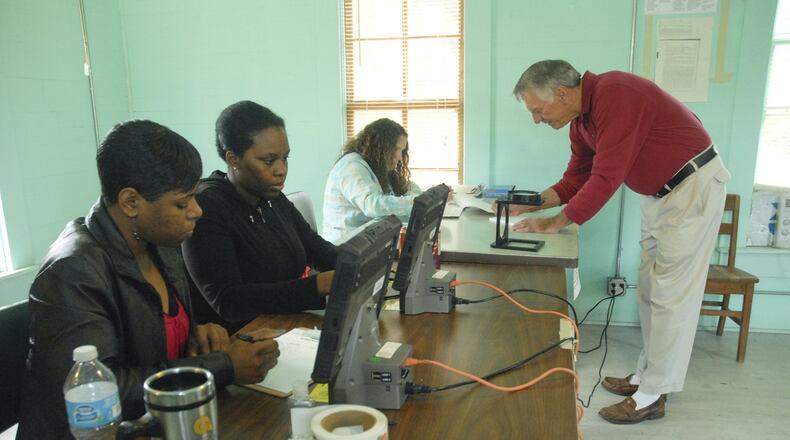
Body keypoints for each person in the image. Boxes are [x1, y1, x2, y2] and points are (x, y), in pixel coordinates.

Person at [17, 120, 280, 439]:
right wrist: (222, 366)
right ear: (131, 202)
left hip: (156, 425)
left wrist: (197, 335)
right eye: (182, 203)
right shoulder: (72, 271)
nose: (197, 211)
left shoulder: (159, 241)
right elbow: (100, 391)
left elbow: (151, 334)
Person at [509, 60, 730, 424]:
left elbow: (606, 177)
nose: (536, 119)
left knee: (671, 295)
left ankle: (652, 396)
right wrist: (532, 203)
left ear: (561, 94)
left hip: (692, 187)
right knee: (649, 289)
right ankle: (648, 375)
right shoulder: (581, 122)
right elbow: (575, 178)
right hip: (660, 196)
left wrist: (558, 223)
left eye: (537, 110)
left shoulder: (616, 94)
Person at [182, 101, 337, 334]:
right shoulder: (207, 208)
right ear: (233, 159)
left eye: (285, 158)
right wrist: (317, 286)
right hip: (242, 339)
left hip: (284, 326)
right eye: (268, 160)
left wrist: (360, 262)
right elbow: (228, 300)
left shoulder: (271, 198)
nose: (281, 169)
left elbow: (316, 248)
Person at [322, 118, 422, 243]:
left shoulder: (376, 166)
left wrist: (423, 196)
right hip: (342, 248)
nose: (400, 157)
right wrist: (416, 202)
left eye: (402, 150)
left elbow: (407, 187)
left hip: (365, 243)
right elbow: (374, 206)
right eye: (396, 149)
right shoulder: (352, 166)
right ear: (381, 147)